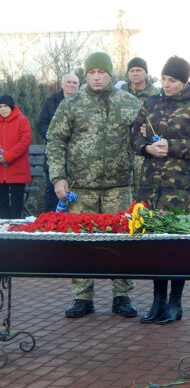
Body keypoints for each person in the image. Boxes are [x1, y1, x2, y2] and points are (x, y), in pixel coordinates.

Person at [46, 52, 140, 319]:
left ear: (111, 74)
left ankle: (121, 295)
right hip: (81, 188)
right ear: (85, 75)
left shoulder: (129, 103)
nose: (97, 77)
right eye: (91, 72)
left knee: (121, 240)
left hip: (119, 187)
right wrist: (58, 177)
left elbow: (141, 142)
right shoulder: (71, 104)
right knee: (81, 241)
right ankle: (82, 295)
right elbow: (55, 141)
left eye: (102, 72)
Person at [132, 56, 190, 324]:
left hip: (181, 189)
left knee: (177, 246)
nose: (166, 84)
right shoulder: (151, 103)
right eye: (164, 79)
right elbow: (134, 136)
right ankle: (158, 300)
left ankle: (175, 303)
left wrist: (172, 147)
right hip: (150, 187)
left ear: (184, 81)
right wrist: (146, 147)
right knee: (155, 245)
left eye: (173, 81)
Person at [37, 73, 80, 211]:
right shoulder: (51, 102)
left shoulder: (83, 103)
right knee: (52, 189)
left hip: (77, 155)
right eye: (68, 82)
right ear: (62, 84)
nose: (71, 85)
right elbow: (41, 124)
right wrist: (54, 138)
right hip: (56, 154)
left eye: (75, 83)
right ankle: (50, 223)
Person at [122, 57, 160, 198]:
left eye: (139, 70)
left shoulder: (156, 95)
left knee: (144, 191)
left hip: (145, 149)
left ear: (146, 73)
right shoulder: (119, 94)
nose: (135, 73)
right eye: (132, 70)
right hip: (122, 148)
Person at [0, 95, 32, 219]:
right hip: (1, 170)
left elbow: (25, 141)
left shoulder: (22, 120)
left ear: (11, 107)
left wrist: (8, 156)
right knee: (2, 202)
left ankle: (16, 228)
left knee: (16, 202)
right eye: (0, 107)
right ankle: (3, 231)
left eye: (5, 106)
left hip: (17, 168)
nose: (2, 109)